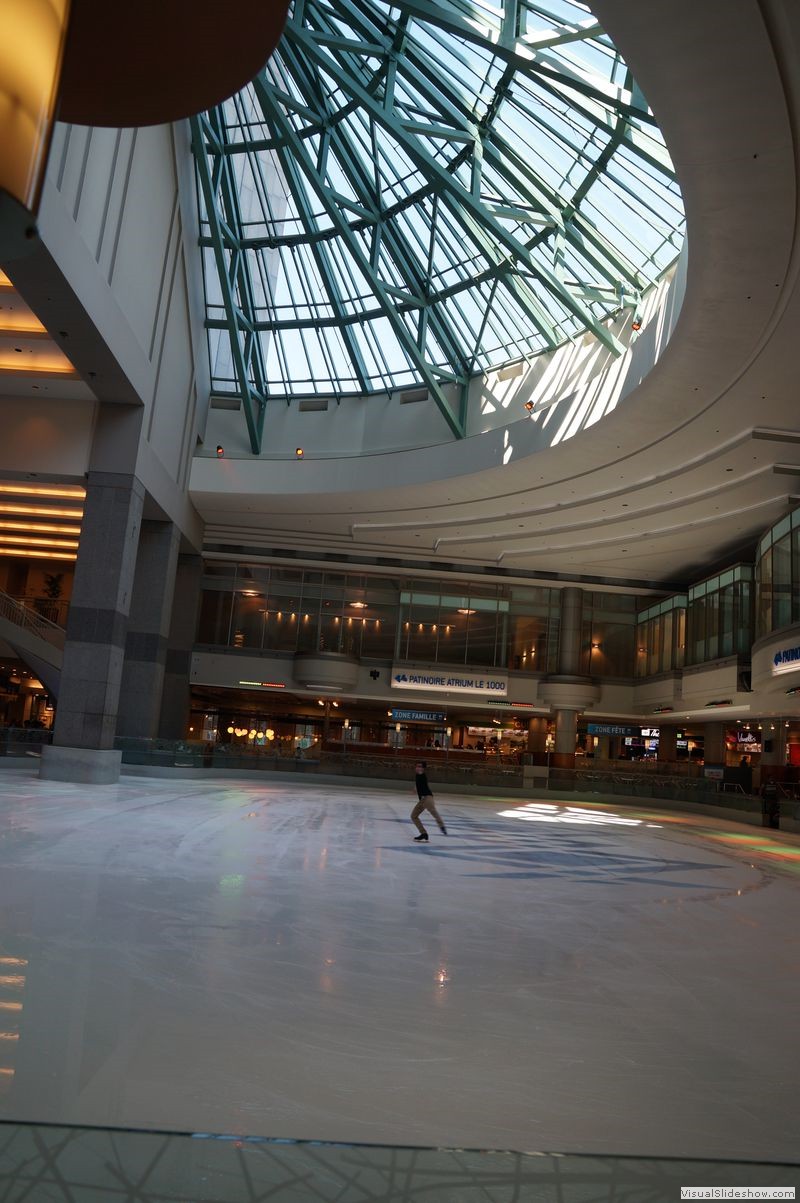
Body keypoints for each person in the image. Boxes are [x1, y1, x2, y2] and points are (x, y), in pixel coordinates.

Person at [411, 760, 447, 842]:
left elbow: (421, 775)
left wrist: (420, 771)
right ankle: (423, 833)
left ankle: (441, 826)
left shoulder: (422, 774)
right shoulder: (417, 775)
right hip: (422, 800)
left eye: (420, 766)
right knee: (413, 816)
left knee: (433, 811)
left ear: (423, 769)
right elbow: (419, 784)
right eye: (417, 766)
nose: (418, 768)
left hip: (427, 798)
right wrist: (415, 788)